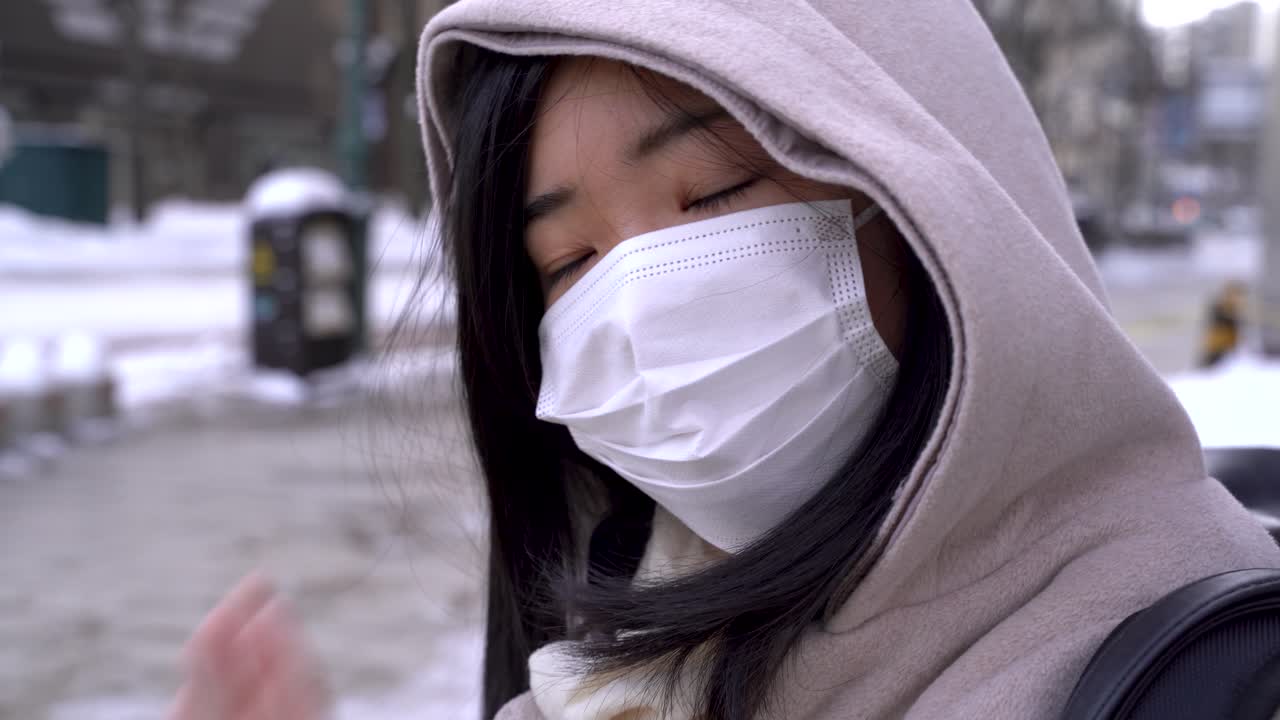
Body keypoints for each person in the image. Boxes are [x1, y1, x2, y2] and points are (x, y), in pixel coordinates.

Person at [168, 2, 1280, 719]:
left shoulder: (1205, 682)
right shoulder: (611, 670)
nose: (645, 312)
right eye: (567, 262)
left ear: (938, 199)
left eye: (712, 194)